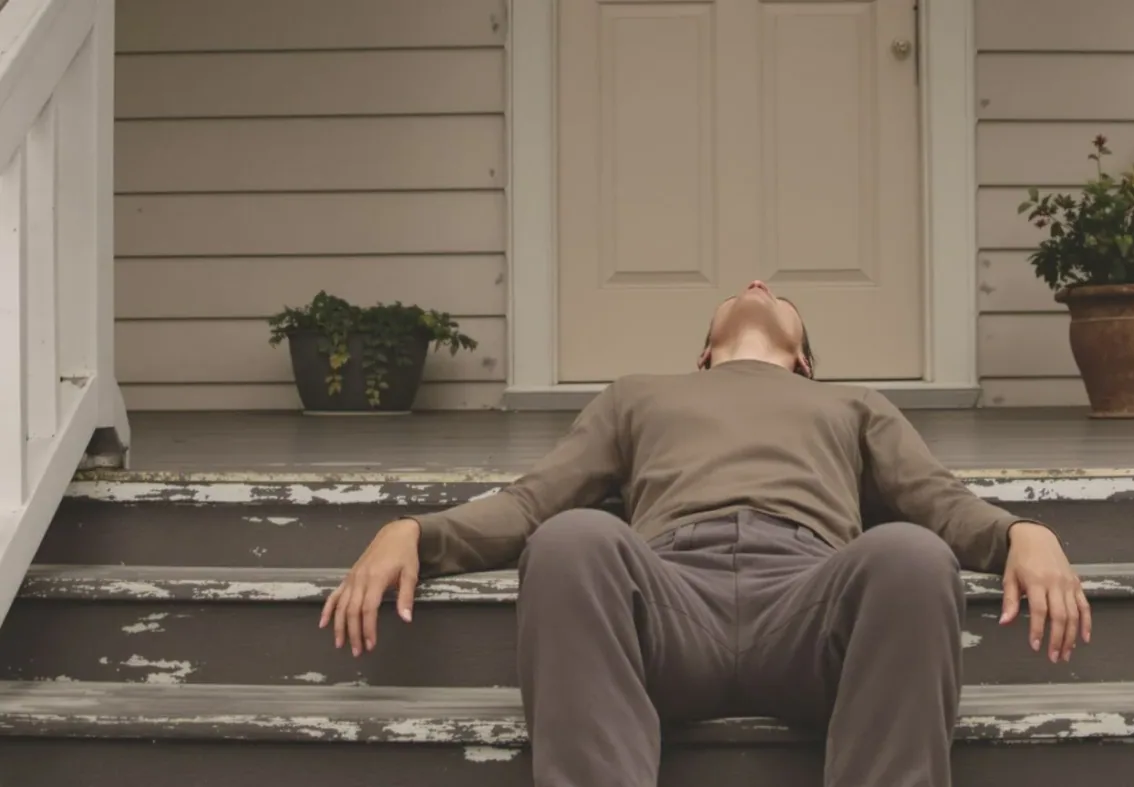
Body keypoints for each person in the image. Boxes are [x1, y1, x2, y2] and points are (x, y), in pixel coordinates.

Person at [320, 280, 1091, 787]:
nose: (756, 281)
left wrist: (1021, 531)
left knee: (914, 553)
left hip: (806, 603)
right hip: (669, 600)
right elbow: (532, 502)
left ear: (803, 358)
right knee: (572, 537)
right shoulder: (639, 395)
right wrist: (412, 530)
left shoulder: (852, 402)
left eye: (776, 291)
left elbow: (935, 499)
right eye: (744, 289)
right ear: (702, 352)